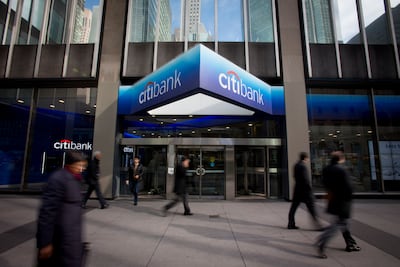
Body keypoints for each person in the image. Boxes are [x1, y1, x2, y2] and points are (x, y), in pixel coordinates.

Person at [36, 151, 88, 266]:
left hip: (71, 236)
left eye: (83, 166)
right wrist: (45, 242)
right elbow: (47, 213)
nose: (81, 169)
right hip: (61, 238)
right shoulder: (58, 179)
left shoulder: (75, 179)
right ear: (70, 164)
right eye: (79, 165)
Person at [316, 151, 361, 259]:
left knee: (343, 223)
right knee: (339, 224)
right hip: (343, 201)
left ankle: (350, 244)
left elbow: (324, 183)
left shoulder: (326, 169)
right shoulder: (341, 170)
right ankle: (322, 242)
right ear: (340, 159)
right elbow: (349, 187)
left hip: (333, 200)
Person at [288, 152, 321, 230]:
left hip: (297, 190)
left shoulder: (296, 165)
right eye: (307, 158)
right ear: (305, 158)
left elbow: (294, 176)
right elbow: (306, 180)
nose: (308, 159)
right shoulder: (303, 166)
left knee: (293, 208)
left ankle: (291, 223)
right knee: (311, 209)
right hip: (304, 191)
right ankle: (318, 226)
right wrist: (309, 190)